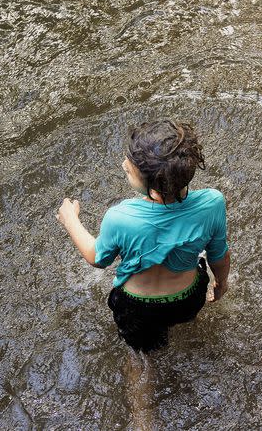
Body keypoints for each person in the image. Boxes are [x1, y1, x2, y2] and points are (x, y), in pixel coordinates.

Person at [56, 120, 231, 353]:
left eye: (129, 169)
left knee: (140, 358)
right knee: (187, 325)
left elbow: (97, 257)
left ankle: (140, 382)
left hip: (138, 306)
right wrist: (221, 283)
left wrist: (71, 221)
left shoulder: (121, 217)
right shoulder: (212, 203)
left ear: (150, 183)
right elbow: (218, 254)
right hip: (188, 296)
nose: (123, 165)